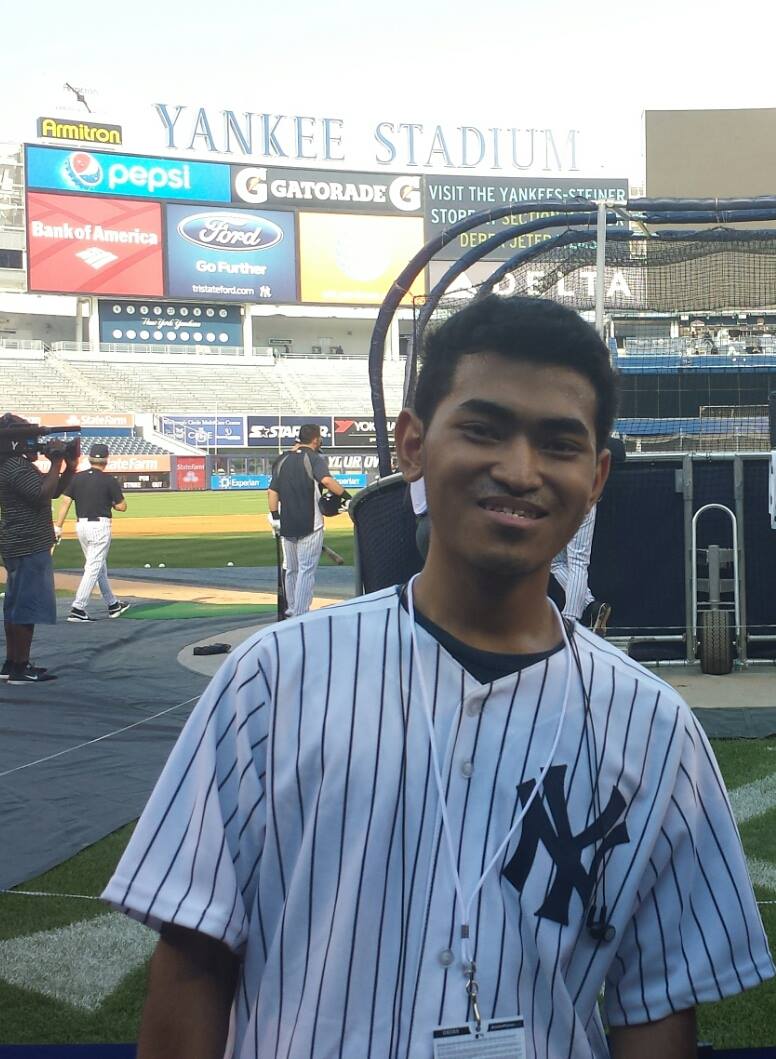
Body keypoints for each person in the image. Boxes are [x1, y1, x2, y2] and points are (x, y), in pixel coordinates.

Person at [103, 296, 773, 1059]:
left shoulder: (655, 728)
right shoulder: (275, 678)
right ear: (414, 446)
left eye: (559, 444)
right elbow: (192, 967)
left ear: (597, 477)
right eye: (483, 430)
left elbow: (654, 1012)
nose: (520, 471)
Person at [0, 413, 77, 684]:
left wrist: (70, 465)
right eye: (27, 438)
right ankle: (20, 666)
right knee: (26, 607)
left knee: (16, 605)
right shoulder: (14, 466)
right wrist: (56, 460)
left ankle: (12, 664)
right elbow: (42, 494)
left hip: (20, 542)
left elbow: (52, 490)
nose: (33, 443)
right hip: (28, 543)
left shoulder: (11, 464)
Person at [265, 424, 348, 617]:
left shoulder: (282, 459)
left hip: (287, 524)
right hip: (311, 524)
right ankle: (300, 613)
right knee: (306, 570)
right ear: (315, 439)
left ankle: (292, 608)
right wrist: (347, 496)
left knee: (292, 569)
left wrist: (275, 516)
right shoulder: (314, 458)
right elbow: (327, 481)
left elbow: (272, 491)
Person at [549, 435, 625, 634]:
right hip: (576, 498)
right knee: (570, 561)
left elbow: (618, 451)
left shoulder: (581, 432)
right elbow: (619, 451)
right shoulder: (574, 434)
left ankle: (576, 615)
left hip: (560, 500)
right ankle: (580, 612)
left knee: (562, 562)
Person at [54, 442, 129, 622]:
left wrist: (58, 526)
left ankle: (113, 604)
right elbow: (122, 506)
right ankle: (78, 608)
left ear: (90, 459)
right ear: (106, 460)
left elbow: (65, 502)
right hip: (99, 527)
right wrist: (108, 501)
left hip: (82, 527)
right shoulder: (109, 480)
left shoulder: (77, 478)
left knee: (98, 565)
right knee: (93, 567)